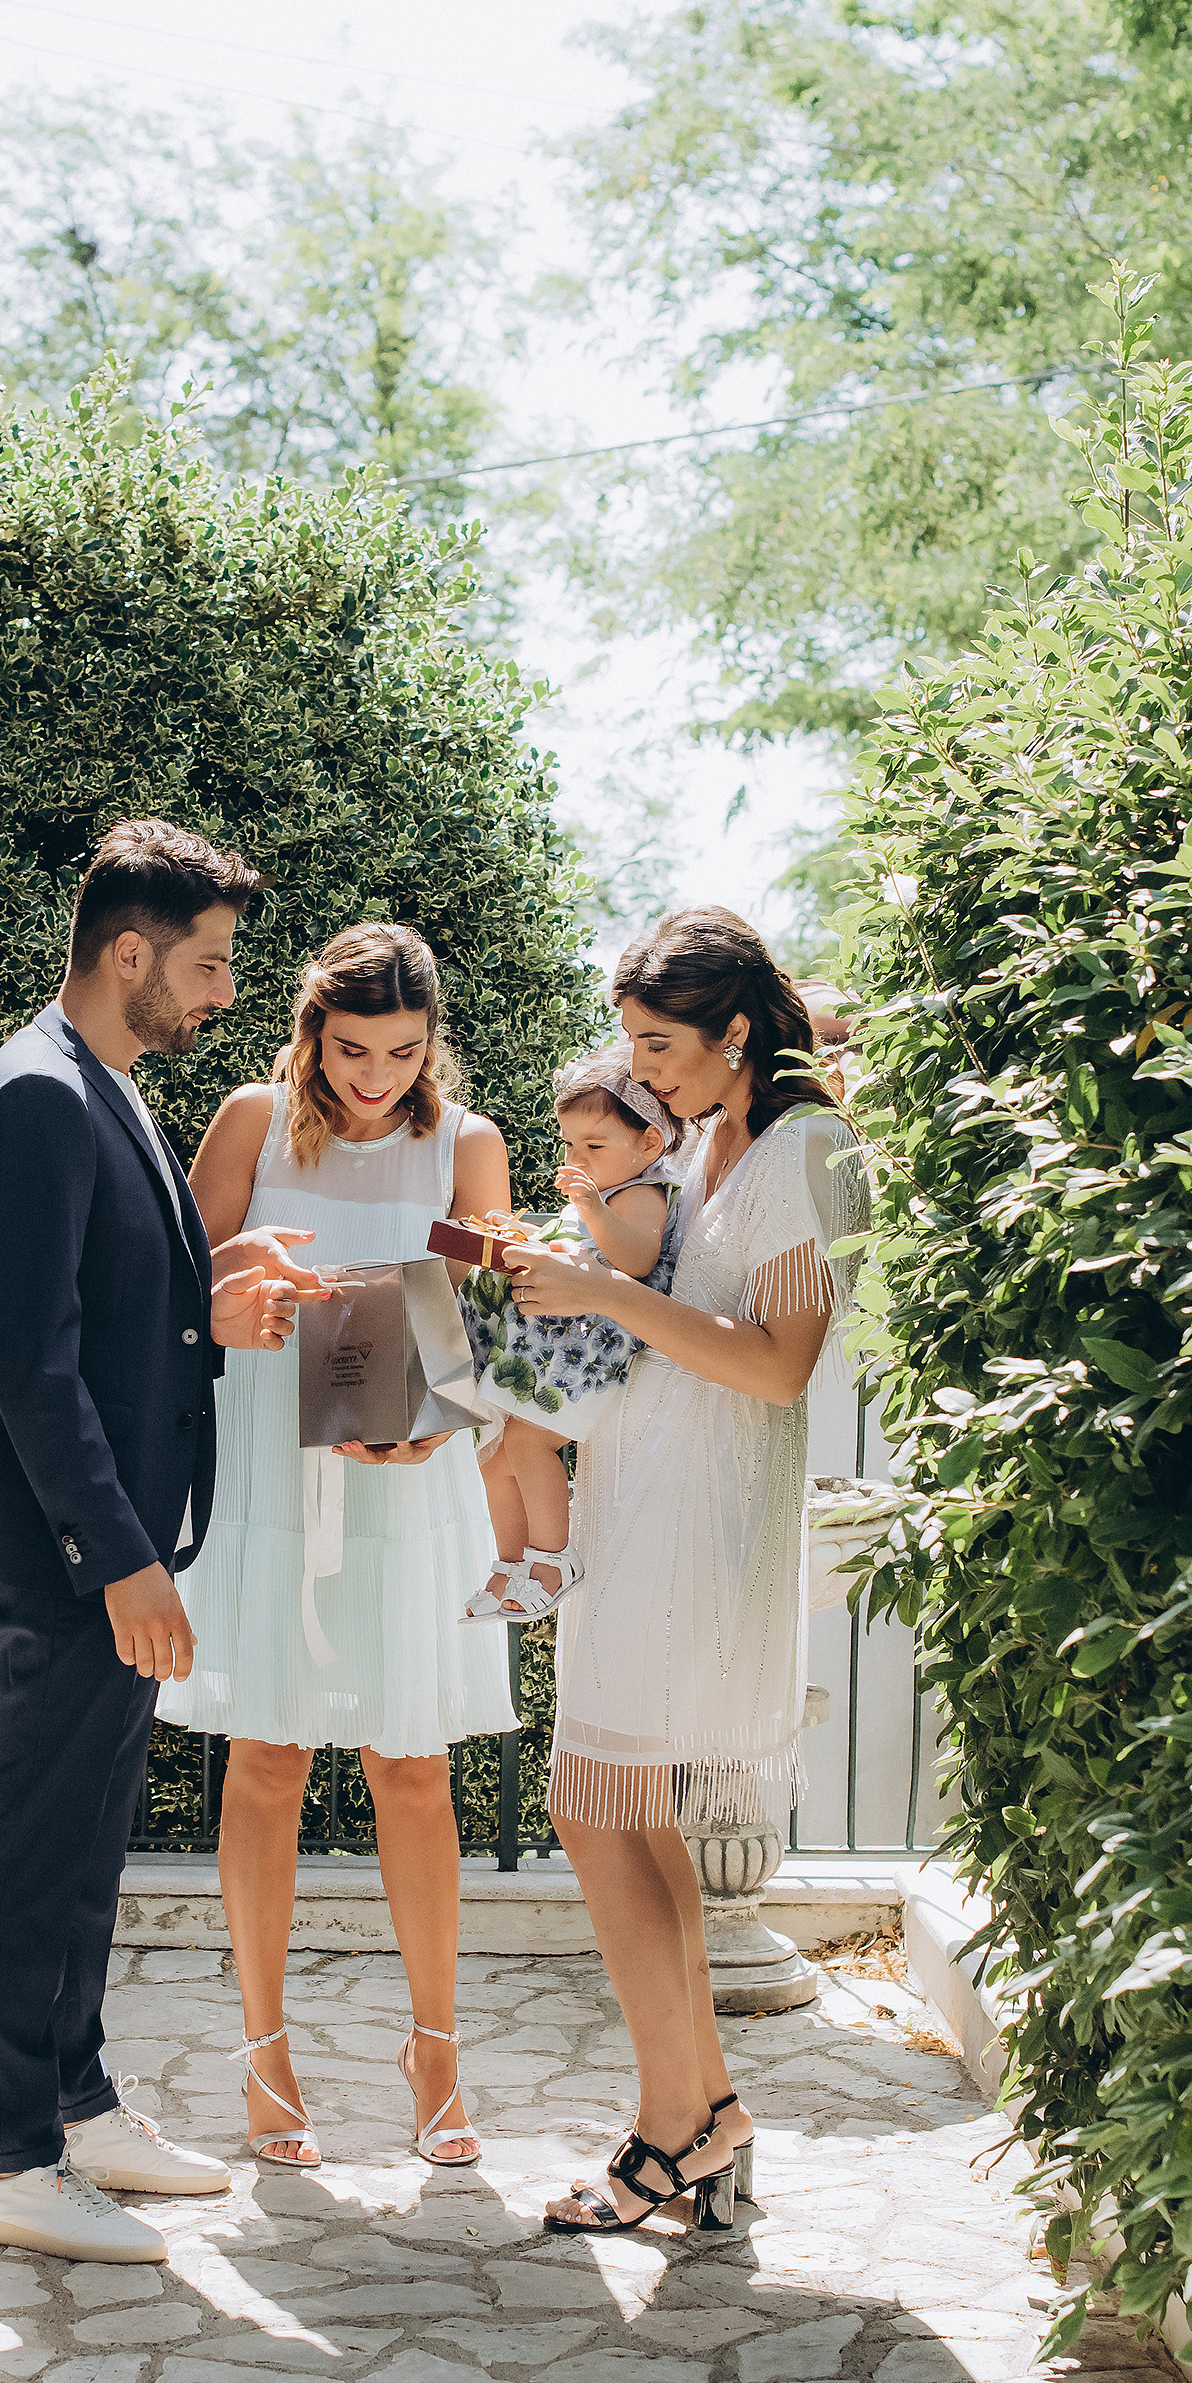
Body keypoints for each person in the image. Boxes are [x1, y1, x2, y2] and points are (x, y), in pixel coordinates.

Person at [0, 817, 316, 2265]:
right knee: (37, 1842)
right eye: (206, 967)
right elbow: (31, 1361)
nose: (220, 996)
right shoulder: (35, 1095)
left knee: (88, 1839)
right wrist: (120, 1556)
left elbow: (95, 1307)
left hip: (119, 1538)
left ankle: (76, 2105)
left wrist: (210, 1294)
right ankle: (12, 2159)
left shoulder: (107, 1083)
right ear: (127, 951)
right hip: (80, 1548)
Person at [499, 908, 869, 2238]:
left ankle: (677, 2127)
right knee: (619, 1810)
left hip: (703, 1523)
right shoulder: (709, 1134)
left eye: (661, 1044)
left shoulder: (807, 1149)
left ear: (734, 1032)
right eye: (631, 1043)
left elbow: (778, 1366)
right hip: (640, 1498)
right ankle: (703, 2116)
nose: (640, 1070)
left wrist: (599, 1298)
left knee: (595, 1802)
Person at [158, 923, 516, 2171]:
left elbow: (490, 1326)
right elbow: (175, 1283)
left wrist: (439, 1425)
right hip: (267, 1460)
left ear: (431, 1044)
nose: (376, 1077)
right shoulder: (250, 1120)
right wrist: (249, 1298)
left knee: (411, 1768)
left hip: (407, 1480)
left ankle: (434, 2052)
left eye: (404, 1052)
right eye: (353, 1048)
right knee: (265, 1758)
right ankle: (265, 2054)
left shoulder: (466, 1143)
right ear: (312, 1029)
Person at [459, 1050, 682, 1626]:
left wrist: (589, 1207)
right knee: (496, 1454)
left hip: (588, 1350)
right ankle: (511, 1566)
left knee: (532, 1444)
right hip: (547, 1344)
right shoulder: (600, 1196)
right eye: (569, 1146)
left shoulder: (640, 1194)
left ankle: (554, 1562)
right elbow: (573, 1250)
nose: (576, 1159)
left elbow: (635, 1259)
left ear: (649, 1145)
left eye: (594, 1146)